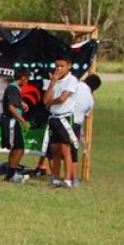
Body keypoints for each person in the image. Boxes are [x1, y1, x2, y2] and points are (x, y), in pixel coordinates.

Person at [43, 55, 79, 188]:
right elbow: (44, 99)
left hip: (65, 117)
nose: (59, 68)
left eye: (62, 66)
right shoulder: (54, 79)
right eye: (57, 66)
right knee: (54, 150)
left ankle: (68, 179)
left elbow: (63, 98)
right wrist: (52, 82)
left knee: (65, 150)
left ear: (68, 66)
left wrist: (50, 102)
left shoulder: (72, 80)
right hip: (53, 117)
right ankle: (56, 178)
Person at [0, 68, 31, 184]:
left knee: (15, 148)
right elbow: (11, 107)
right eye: (27, 79)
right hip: (12, 121)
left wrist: (21, 103)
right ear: (23, 78)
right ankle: (11, 175)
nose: (27, 82)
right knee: (19, 149)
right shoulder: (13, 89)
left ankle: (10, 174)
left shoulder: (12, 87)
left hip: (10, 121)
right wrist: (22, 120)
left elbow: (12, 101)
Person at [70, 73, 101, 180]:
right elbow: (86, 115)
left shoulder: (75, 85)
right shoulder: (91, 100)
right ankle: (72, 178)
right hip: (76, 125)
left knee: (56, 151)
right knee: (72, 154)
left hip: (63, 118)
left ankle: (55, 176)